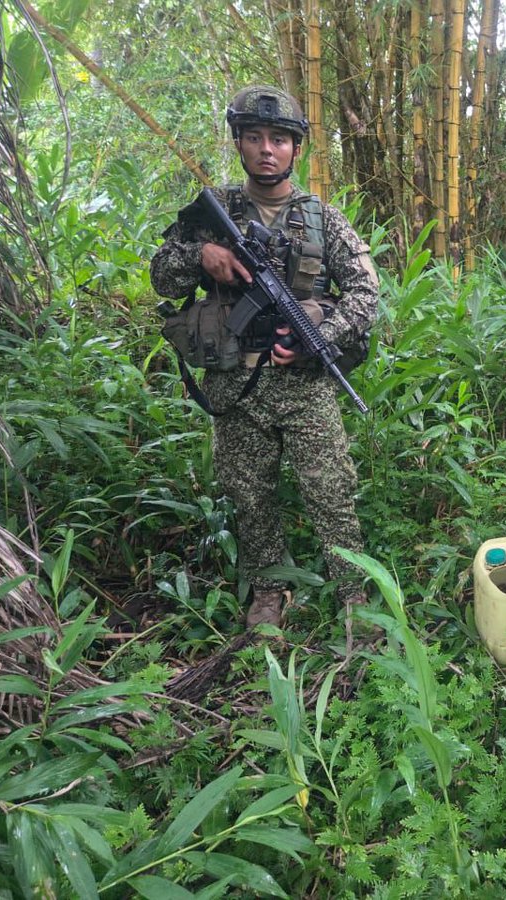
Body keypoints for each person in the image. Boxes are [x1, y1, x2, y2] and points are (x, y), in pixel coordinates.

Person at [150, 86, 378, 632]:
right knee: (248, 493)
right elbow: (160, 273)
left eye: (279, 139)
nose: (267, 150)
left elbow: (367, 297)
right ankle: (269, 589)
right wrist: (201, 255)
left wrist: (321, 329)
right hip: (233, 382)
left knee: (332, 491)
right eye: (255, 137)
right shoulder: (212, 214)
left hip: (304, 383)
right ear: (239, 142)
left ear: (296, 149)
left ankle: (354, 594)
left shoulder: (322, 219)